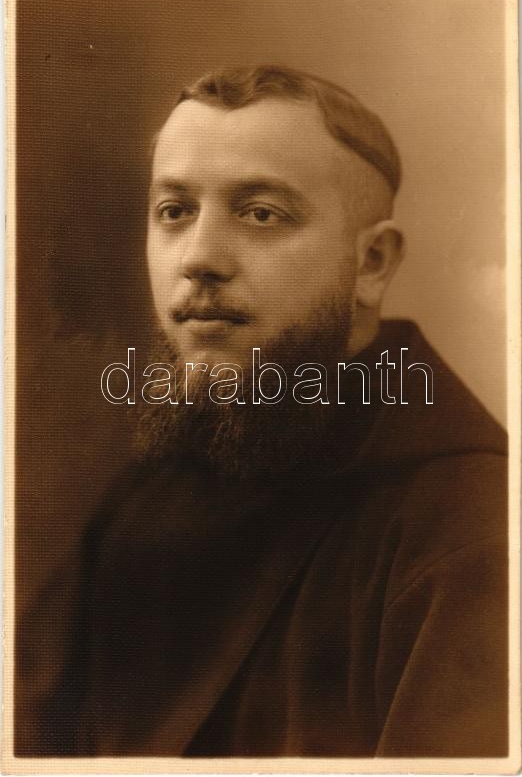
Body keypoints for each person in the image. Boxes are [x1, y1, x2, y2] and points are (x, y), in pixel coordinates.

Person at [16, 65, 508, 758]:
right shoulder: (140, 504)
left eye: (260, 214)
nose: (199, 259)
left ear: (371, 263)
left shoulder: (472, 524)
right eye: (174, 212)